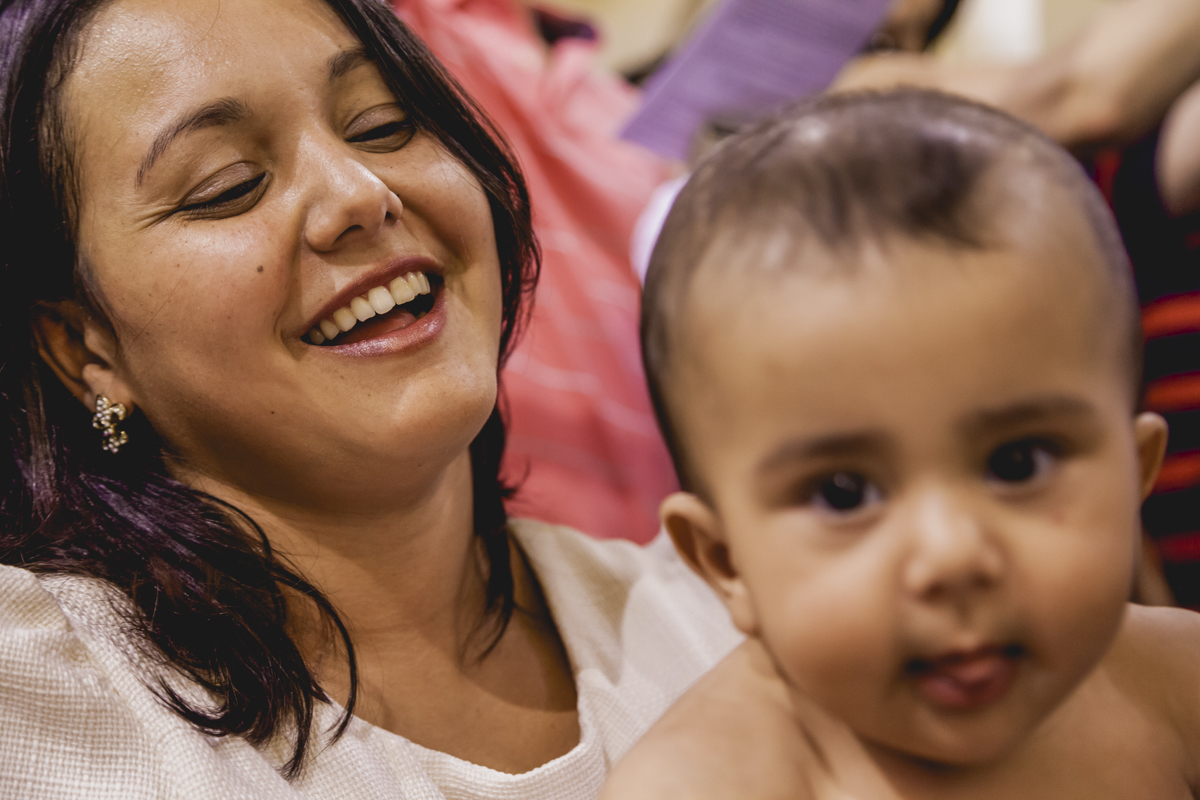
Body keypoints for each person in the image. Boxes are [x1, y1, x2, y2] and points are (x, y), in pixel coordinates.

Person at [0, 0, 740, 796]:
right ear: (85, 348)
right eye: (229, 186)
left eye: (383, 125)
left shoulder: (727, 621)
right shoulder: (41, 691)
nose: (360, 193)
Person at [602, 91, 1200, 798]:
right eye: (844, 494)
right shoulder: (708, 786)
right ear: (727, 562)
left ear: (1134, 475)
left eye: (1018, 464)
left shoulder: (1175, 682)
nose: (951, 556)